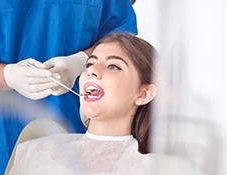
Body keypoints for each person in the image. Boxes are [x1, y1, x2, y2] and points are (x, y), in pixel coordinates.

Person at [0, 1, 137, 174]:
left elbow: (125, 41)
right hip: (1, 130)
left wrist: (82, 60)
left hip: (80, 119)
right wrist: (6, 75)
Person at [8, 32, 157, 174]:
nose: (91, 71)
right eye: (89, 64)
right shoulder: (37, 150)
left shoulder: (155, 168)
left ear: (144, 94)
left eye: (113, 66)